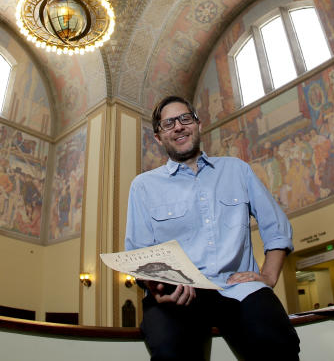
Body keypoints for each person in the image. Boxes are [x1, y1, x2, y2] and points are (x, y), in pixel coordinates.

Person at [125, 95, 300, 361]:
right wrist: (158, 289)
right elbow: (139, 253)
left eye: (185, 119)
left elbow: (276, 228)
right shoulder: (143, 186)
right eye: (168, 123)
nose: (179, 126)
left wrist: (268, 276)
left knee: (278, 344)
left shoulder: (238, 170)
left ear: (198, 124)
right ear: (159, 138)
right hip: (177, 294)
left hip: (238, 289)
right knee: (170, 352)